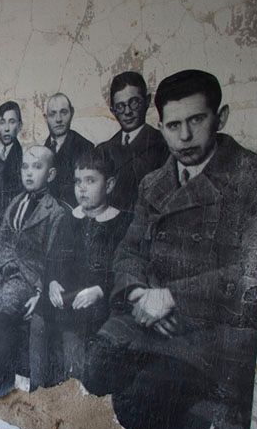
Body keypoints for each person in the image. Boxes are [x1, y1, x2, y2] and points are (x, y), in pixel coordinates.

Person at [86, 70, 257, 429]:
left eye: (197, 120)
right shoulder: (154, 183)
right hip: (148, 315)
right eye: (173, 125)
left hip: (212, 332)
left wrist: (173, 298)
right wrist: (139, 294)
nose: (185, 136)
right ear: (162, 125)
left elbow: (249, 273)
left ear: (221, 117)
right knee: (95, 368)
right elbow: (128, 252)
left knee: (140, 401)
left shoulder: (252, 177)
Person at [0, 146, 66, 398]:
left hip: (28, 275)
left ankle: (4, 373)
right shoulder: (16, 202)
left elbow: (53, 259)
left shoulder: (55, 212)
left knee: (2, 307)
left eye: (37, 167)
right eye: (25, 167)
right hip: (1, 266)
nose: (29, 173)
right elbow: (1, 241)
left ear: (51, 174)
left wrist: (40, 292)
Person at [32, 149, 129, 390]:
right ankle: (37, 388)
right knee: (38, 320)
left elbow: (124, 270)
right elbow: (52, 259)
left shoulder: (121, 223)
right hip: (65, 296)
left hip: (98, 301)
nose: (82, 189)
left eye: (90, 181)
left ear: (109, 185)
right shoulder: (69, 219)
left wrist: (99, 290)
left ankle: (73, 393)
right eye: (78, 182)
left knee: (73, 331)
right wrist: (52, 282)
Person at [96, 71, 169, 216]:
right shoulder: (102, 151)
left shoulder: (164, 144)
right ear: (113, 111)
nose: (127, 111)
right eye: (120, 106)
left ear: (147, 101)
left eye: (134, 102)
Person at [43, 93, 93, 207]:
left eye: (64, 112)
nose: (58, 119)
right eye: (52, 114)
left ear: (72, 113)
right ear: (45, 118)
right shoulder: (42, 150)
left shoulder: (86, 148)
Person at [0, 101, 24, 233]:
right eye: (2, 122)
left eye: (12, 122)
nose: (7, 128)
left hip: (11, 226)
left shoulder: (24, 158)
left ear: (19, 126)